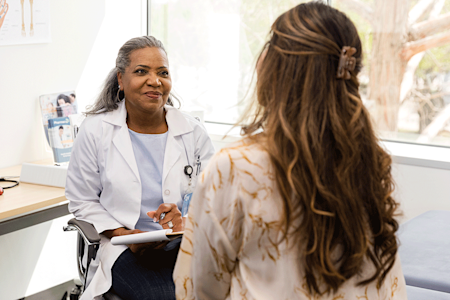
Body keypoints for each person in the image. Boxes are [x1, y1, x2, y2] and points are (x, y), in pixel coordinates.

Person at [173, 2, 407, 299]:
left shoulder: (236, 166)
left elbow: (198, 287)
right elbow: (389, 282)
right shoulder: (369, 159)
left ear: (275, 67)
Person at [65, 36, 215, 300]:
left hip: (184, 242)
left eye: (163, 73)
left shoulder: (193, 132)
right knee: (165, 295)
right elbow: (82, 200)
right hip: (123, 246)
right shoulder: (96, 131)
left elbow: (212, 200)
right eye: (141, 71)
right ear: (121, 80)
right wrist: (125, 234)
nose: (155, 81)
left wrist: (184, 219)